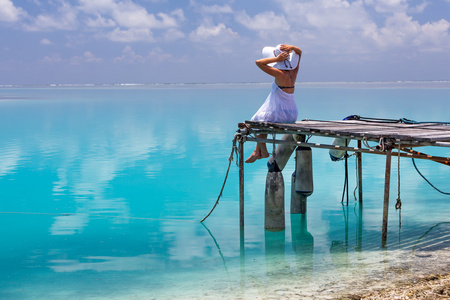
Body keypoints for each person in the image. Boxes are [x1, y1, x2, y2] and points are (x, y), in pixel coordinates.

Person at [245, 44, 302, 163]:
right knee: (262, 115)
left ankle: (263, 151)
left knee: (258, 121)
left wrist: (277, 59)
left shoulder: (279, 73)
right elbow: (299, 52)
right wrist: (291, 48)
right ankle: (256, 152)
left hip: (280, 113)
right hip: (292, 113)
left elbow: (258, 62)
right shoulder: (294, 71)